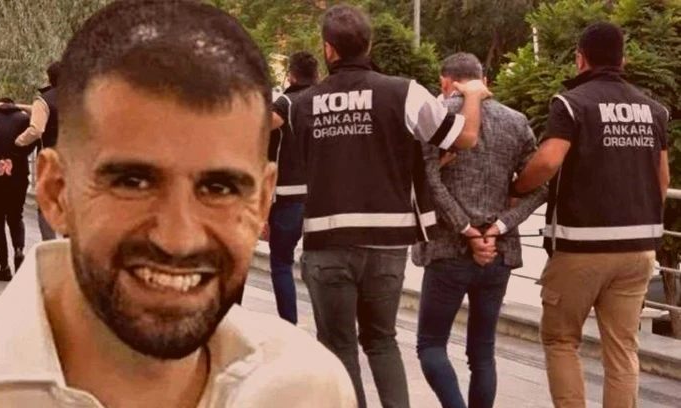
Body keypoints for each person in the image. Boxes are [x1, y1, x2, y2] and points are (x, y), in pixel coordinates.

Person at [0, 2, 356, 407]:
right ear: (57, 191)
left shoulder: (308, 390)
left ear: (261, 200)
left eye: (219, 188)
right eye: (133, 182)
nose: (177, 239)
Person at [274, 5, 491, 407]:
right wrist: (474, 96)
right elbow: (464, 138)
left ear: (328, 49)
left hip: (326, 241)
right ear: (369, 44)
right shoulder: (403, 92)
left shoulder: (302, 104)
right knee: (382, 341)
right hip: (386, 244)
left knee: (338, 348)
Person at [511, 22, 670, 408]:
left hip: (582, 247)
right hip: (638, 250)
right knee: (623, 348)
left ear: (580, 59)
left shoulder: (572, 103)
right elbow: (662, 179)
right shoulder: (654, 111)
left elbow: (548, 161)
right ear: (623, 59)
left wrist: (517, 187)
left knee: (561, 339)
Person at [412, 53, 547, 408]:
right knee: (483, 353)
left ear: (445, 82)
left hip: (445, 250)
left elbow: (428, 182)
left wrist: (466, 228)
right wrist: (500, 226)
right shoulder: (516, 121)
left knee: (431, 345)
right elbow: (540, 185)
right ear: (484, 81)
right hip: (498, 252)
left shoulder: (435, 117)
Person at [266, 51, 319, 324]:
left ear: (291, 76)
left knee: (281, 263)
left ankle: (289, 324)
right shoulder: (323, 101)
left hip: (288, 198)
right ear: (317, 75)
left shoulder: (286, 102)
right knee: (320, 267)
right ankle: (327, 326)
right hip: (321, 198)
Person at [0, 98, 35, 281]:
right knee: (16, 215)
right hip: (18, 175)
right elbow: (34, 140)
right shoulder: (24, 119)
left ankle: (4, 267)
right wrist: (14, 157)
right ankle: (18, 249)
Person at [16, 61, 61, 241]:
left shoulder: (43, 100)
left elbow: (36, 130)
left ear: (50, 78)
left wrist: (18, 142)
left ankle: (50, 246)